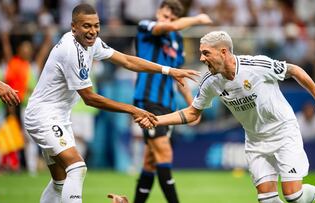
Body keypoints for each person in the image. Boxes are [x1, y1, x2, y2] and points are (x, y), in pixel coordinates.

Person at [24, 3, 199, 203]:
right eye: (86, 26)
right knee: (77, 167)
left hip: (58, 115)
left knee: (60, 182)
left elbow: (127, 61)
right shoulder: (71, 50)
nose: (93, 31)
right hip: (43, 115)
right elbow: (90, 98)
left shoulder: (92, 43)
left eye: (96, 25)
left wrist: (168, 70)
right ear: (74, 27)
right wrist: (133, 110)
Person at [141, 31, 315, 203]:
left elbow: (294, 70)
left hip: (283, 132)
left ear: (224, 52)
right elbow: (193, 112)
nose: (201, 58)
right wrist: (157, 120)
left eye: (206, 53)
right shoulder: (210, 81)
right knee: (266, 199)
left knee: (293, 196)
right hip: (255, 140)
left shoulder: (256, 65)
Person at [132, 1, 212, 202]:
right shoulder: (146, 27)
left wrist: (193, 106)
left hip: (168, 105)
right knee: (164, 153)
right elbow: (170, 27)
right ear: (159, 12)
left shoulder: (176, 41)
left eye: (172, 19)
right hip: (148, 101)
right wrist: (197, 19)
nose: (168, 21)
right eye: (165, 16)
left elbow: (180, 78)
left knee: (151, 161)